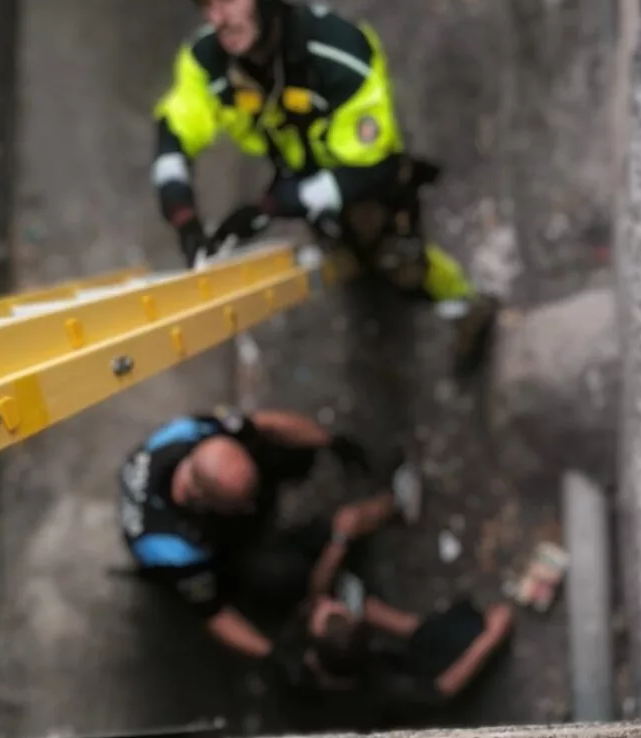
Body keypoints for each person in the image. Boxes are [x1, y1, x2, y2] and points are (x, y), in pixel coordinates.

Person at [150, 0, 499, 375]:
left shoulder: (340, 52)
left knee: (396, 258)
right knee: (335, 238)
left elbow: (368, 166)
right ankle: (345, 245)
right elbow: (174, 131)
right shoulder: (206, 60)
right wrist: (183, 216)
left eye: (229, 0)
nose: (218, 18)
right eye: (206, 5)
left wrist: (276, 206)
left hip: (362, 170)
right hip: (297, 163)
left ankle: (466, 305)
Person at [117, 406, 422, 661]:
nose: (253, 505)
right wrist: (273, 654)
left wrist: (329, 441)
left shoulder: (191, 433)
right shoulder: (170, 547)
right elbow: (215, 613)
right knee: (277, 574)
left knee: (285, 449)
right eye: (242, 504)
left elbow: (266, 423)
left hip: (215, 504)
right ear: (201, 499)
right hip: (219, 553)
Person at [271, 573, 515, 722]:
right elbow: (441, 691)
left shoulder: (295, 660)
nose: (326, 600)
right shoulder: (378, 692)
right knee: (465, 634)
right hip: (400, 706)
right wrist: (491, 637)